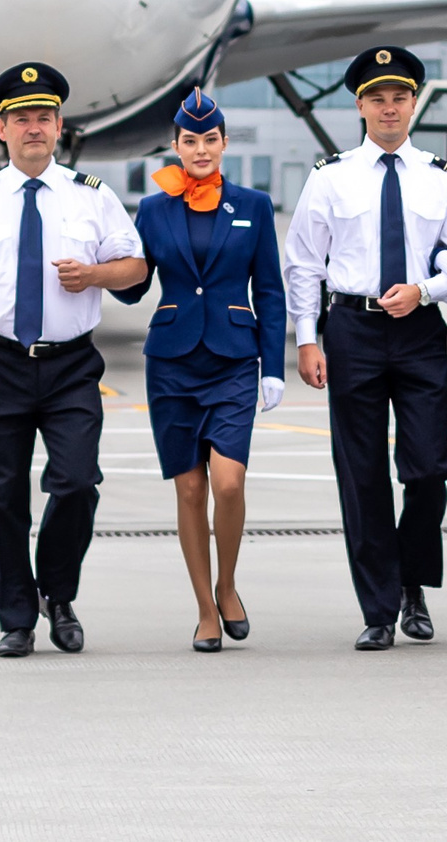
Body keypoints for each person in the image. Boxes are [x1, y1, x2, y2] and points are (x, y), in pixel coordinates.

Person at [0, 62, 148, 658]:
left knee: (77, 482)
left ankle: (59, 591)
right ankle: (16, 618)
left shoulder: (90, 197)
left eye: (43, 118)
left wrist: (95, 274)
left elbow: (135, 268)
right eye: (21, 119)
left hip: (72, 364)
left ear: (59, 126)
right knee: (1, 495)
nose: (33, 129)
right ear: (1, 129)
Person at [286, 44, 447, 650]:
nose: (389, 107)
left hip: (419, 327)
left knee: (428, 469)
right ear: (359, 105)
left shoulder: (443, 179)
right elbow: (301, 264)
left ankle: (413, 582)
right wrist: (306, 339)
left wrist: (425, 289)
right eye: (377, 98)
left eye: (399, 96)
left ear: (414, 102)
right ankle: (378, 607)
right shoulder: (330, 177)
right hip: (352, 331)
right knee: (362, 473)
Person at [124, 87, 287, 653]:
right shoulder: (153, 208)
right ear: (174, 146)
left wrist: (274, 365)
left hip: (234, 358)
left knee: (229, 481)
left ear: (223, 144)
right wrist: (96, 269)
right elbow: (134, 285)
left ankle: (228, 582)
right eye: (189, 141)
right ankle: (204, 609)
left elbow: (269, 287)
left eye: (209, 140)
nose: (200, 149)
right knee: (190, 490)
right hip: (170, 359)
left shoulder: (254, 206)